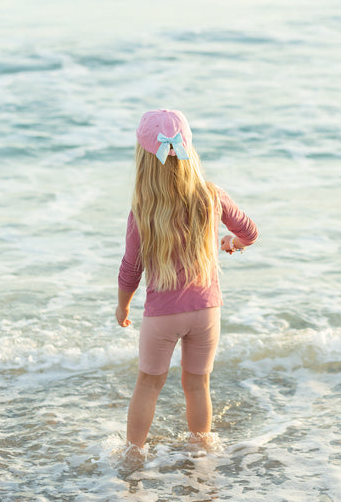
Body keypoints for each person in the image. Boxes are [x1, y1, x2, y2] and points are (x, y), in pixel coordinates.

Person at [116, 109, 258, 457]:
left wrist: (123, 305)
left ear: (144, 160)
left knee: (148, 385)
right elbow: (249, 232)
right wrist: (232, 242)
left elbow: (130, 268)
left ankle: (133, 455)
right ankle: (201, 454)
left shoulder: (144, 210)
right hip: (206, 310)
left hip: (162, 315)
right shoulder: (211, 196)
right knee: (197, 385)